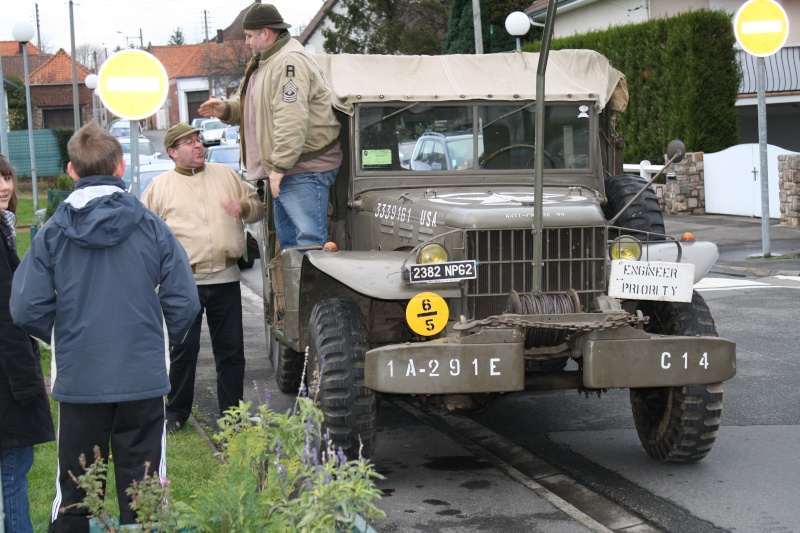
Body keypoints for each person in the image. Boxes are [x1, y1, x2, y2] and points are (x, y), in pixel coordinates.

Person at [9, 121, 200, 532]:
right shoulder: (152, 226)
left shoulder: (52, 233)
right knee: (146, 494)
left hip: (81, 378)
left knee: (76, 496)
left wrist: (64, 336)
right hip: (142, 377)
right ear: (121, 167)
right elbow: (185, 301)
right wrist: (156, 336)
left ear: (71, 170)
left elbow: (25, 306)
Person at [141, 123, 265, 433]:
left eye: (198, 140)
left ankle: (232, 416)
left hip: (225, 278)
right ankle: (175, 413)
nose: (198, 146)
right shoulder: (159, 187)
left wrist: (244, 207)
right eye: (188, 142)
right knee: (182, 352)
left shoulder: (225, 175)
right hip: (182, 285)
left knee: (231, 352)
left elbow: (258, 208)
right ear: (172, 152)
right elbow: (144, 234)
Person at [198, 2, 342, 250]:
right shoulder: (269, 62)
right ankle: (291, 290)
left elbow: (291, 118)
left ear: (265, 33)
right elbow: (257, 106)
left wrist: (279, 167)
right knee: (290, 249)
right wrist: (227, 109)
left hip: (302, 169)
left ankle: (305, 290)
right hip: (291, 170)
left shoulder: (288, 65)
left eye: (249, 36)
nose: (246, 42)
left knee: (308, 247)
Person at [1, 155, 56, 533]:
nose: (4, 187)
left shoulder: (4, 230)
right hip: (7, 381)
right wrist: (27, 385)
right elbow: (7, 321)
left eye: (6, 178)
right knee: (12, 473)